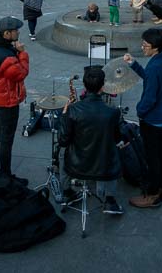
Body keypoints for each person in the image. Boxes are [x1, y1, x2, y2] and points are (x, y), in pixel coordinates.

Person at [57, 66, 123, 215]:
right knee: (114, 149)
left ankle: (67, 191)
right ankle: (110, 200)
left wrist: (64, 115)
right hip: (102, 165)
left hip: (76, 164)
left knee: (62, 152)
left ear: (85, 87)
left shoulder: (73, 110)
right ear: (102, 87)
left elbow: (63, 141)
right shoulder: (113, 112)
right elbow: (118, 139)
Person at [123, 28, 162, 208]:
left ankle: (152, 195)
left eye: (145, 45)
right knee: (160, 152)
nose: (142, 47)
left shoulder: (154, 66)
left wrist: (140, 111)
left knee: (151, 158)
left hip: (151, 119)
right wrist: (134, 64)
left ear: (155, 47)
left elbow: (150, 97)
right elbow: (150, 79)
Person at [0, 16, 29, 182]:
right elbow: (21, 74)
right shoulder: (7, 57)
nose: (18, 32)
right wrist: (22, 54)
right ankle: (6, 176)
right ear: (7, 33)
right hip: (8, 103)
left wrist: (15, 52)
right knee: (6, 140)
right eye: (16, 30)